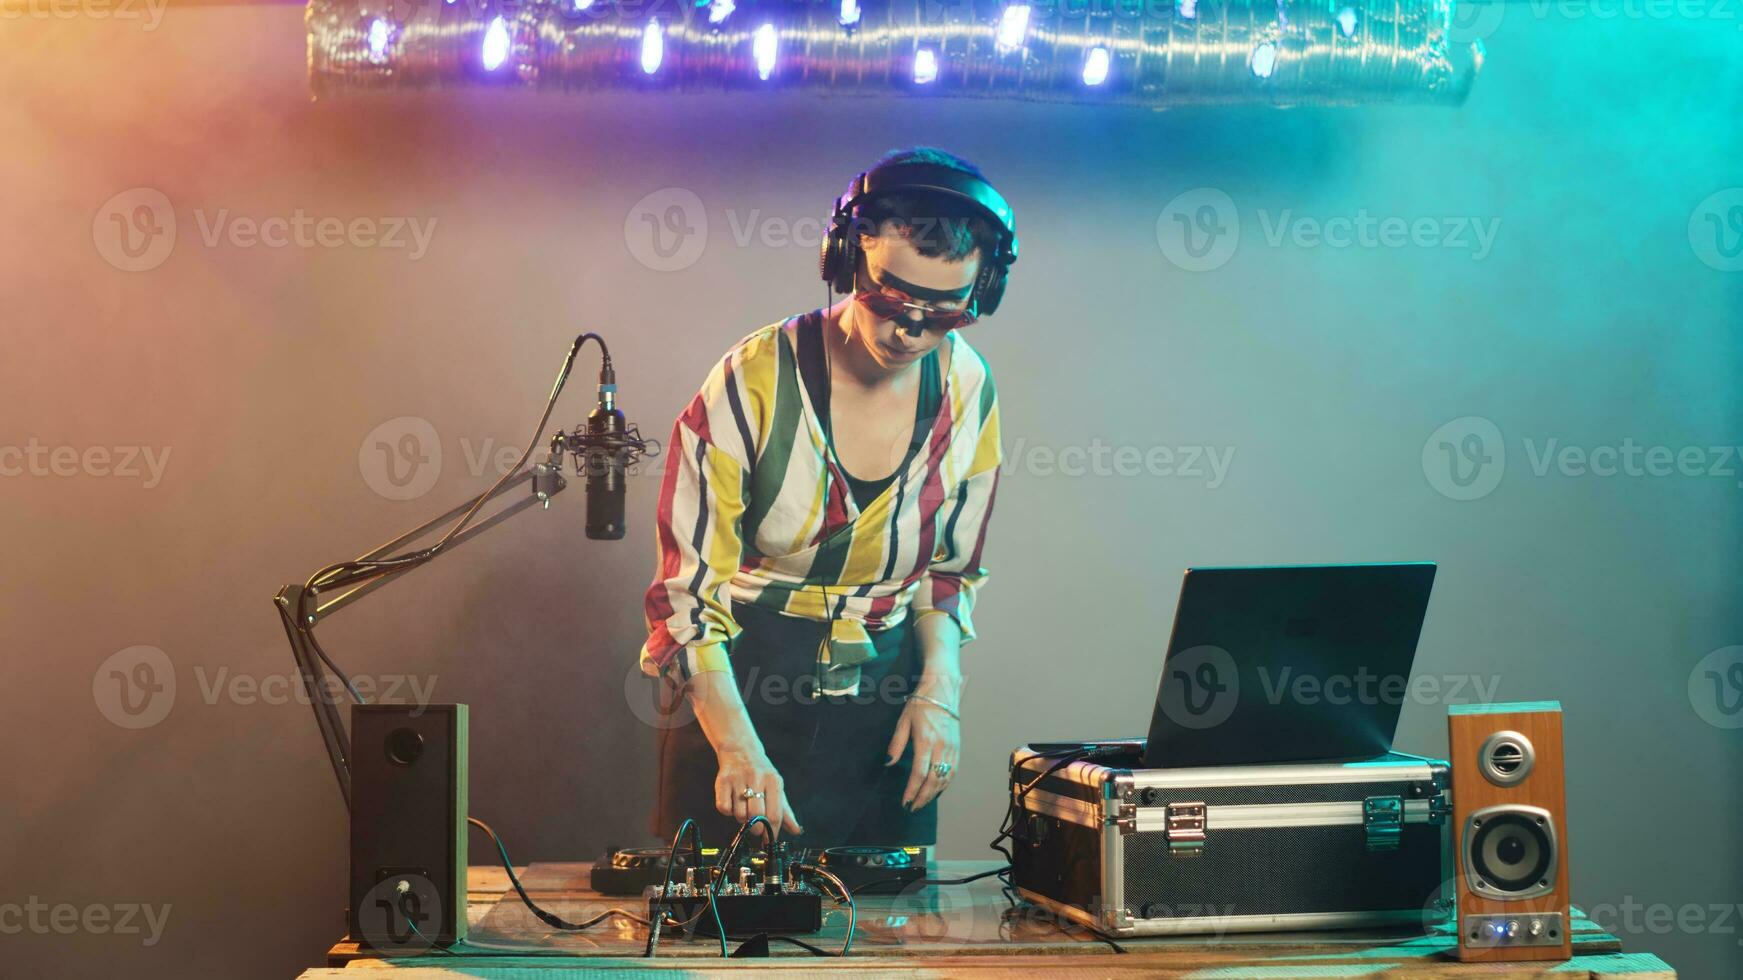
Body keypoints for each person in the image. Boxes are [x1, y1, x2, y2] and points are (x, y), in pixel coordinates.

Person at [638, 146, 1017, 851]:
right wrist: (737, 751)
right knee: (728, 940)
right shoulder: (748, 382)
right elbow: (683, 598)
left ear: (978, 297)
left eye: (941, 315)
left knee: (891, 937)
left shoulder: (968, 388)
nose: (910, 330)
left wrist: (941, 695)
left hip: (886, 701)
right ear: (847, 258)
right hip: (741, 688)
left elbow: (946, 573)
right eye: (890, 300)